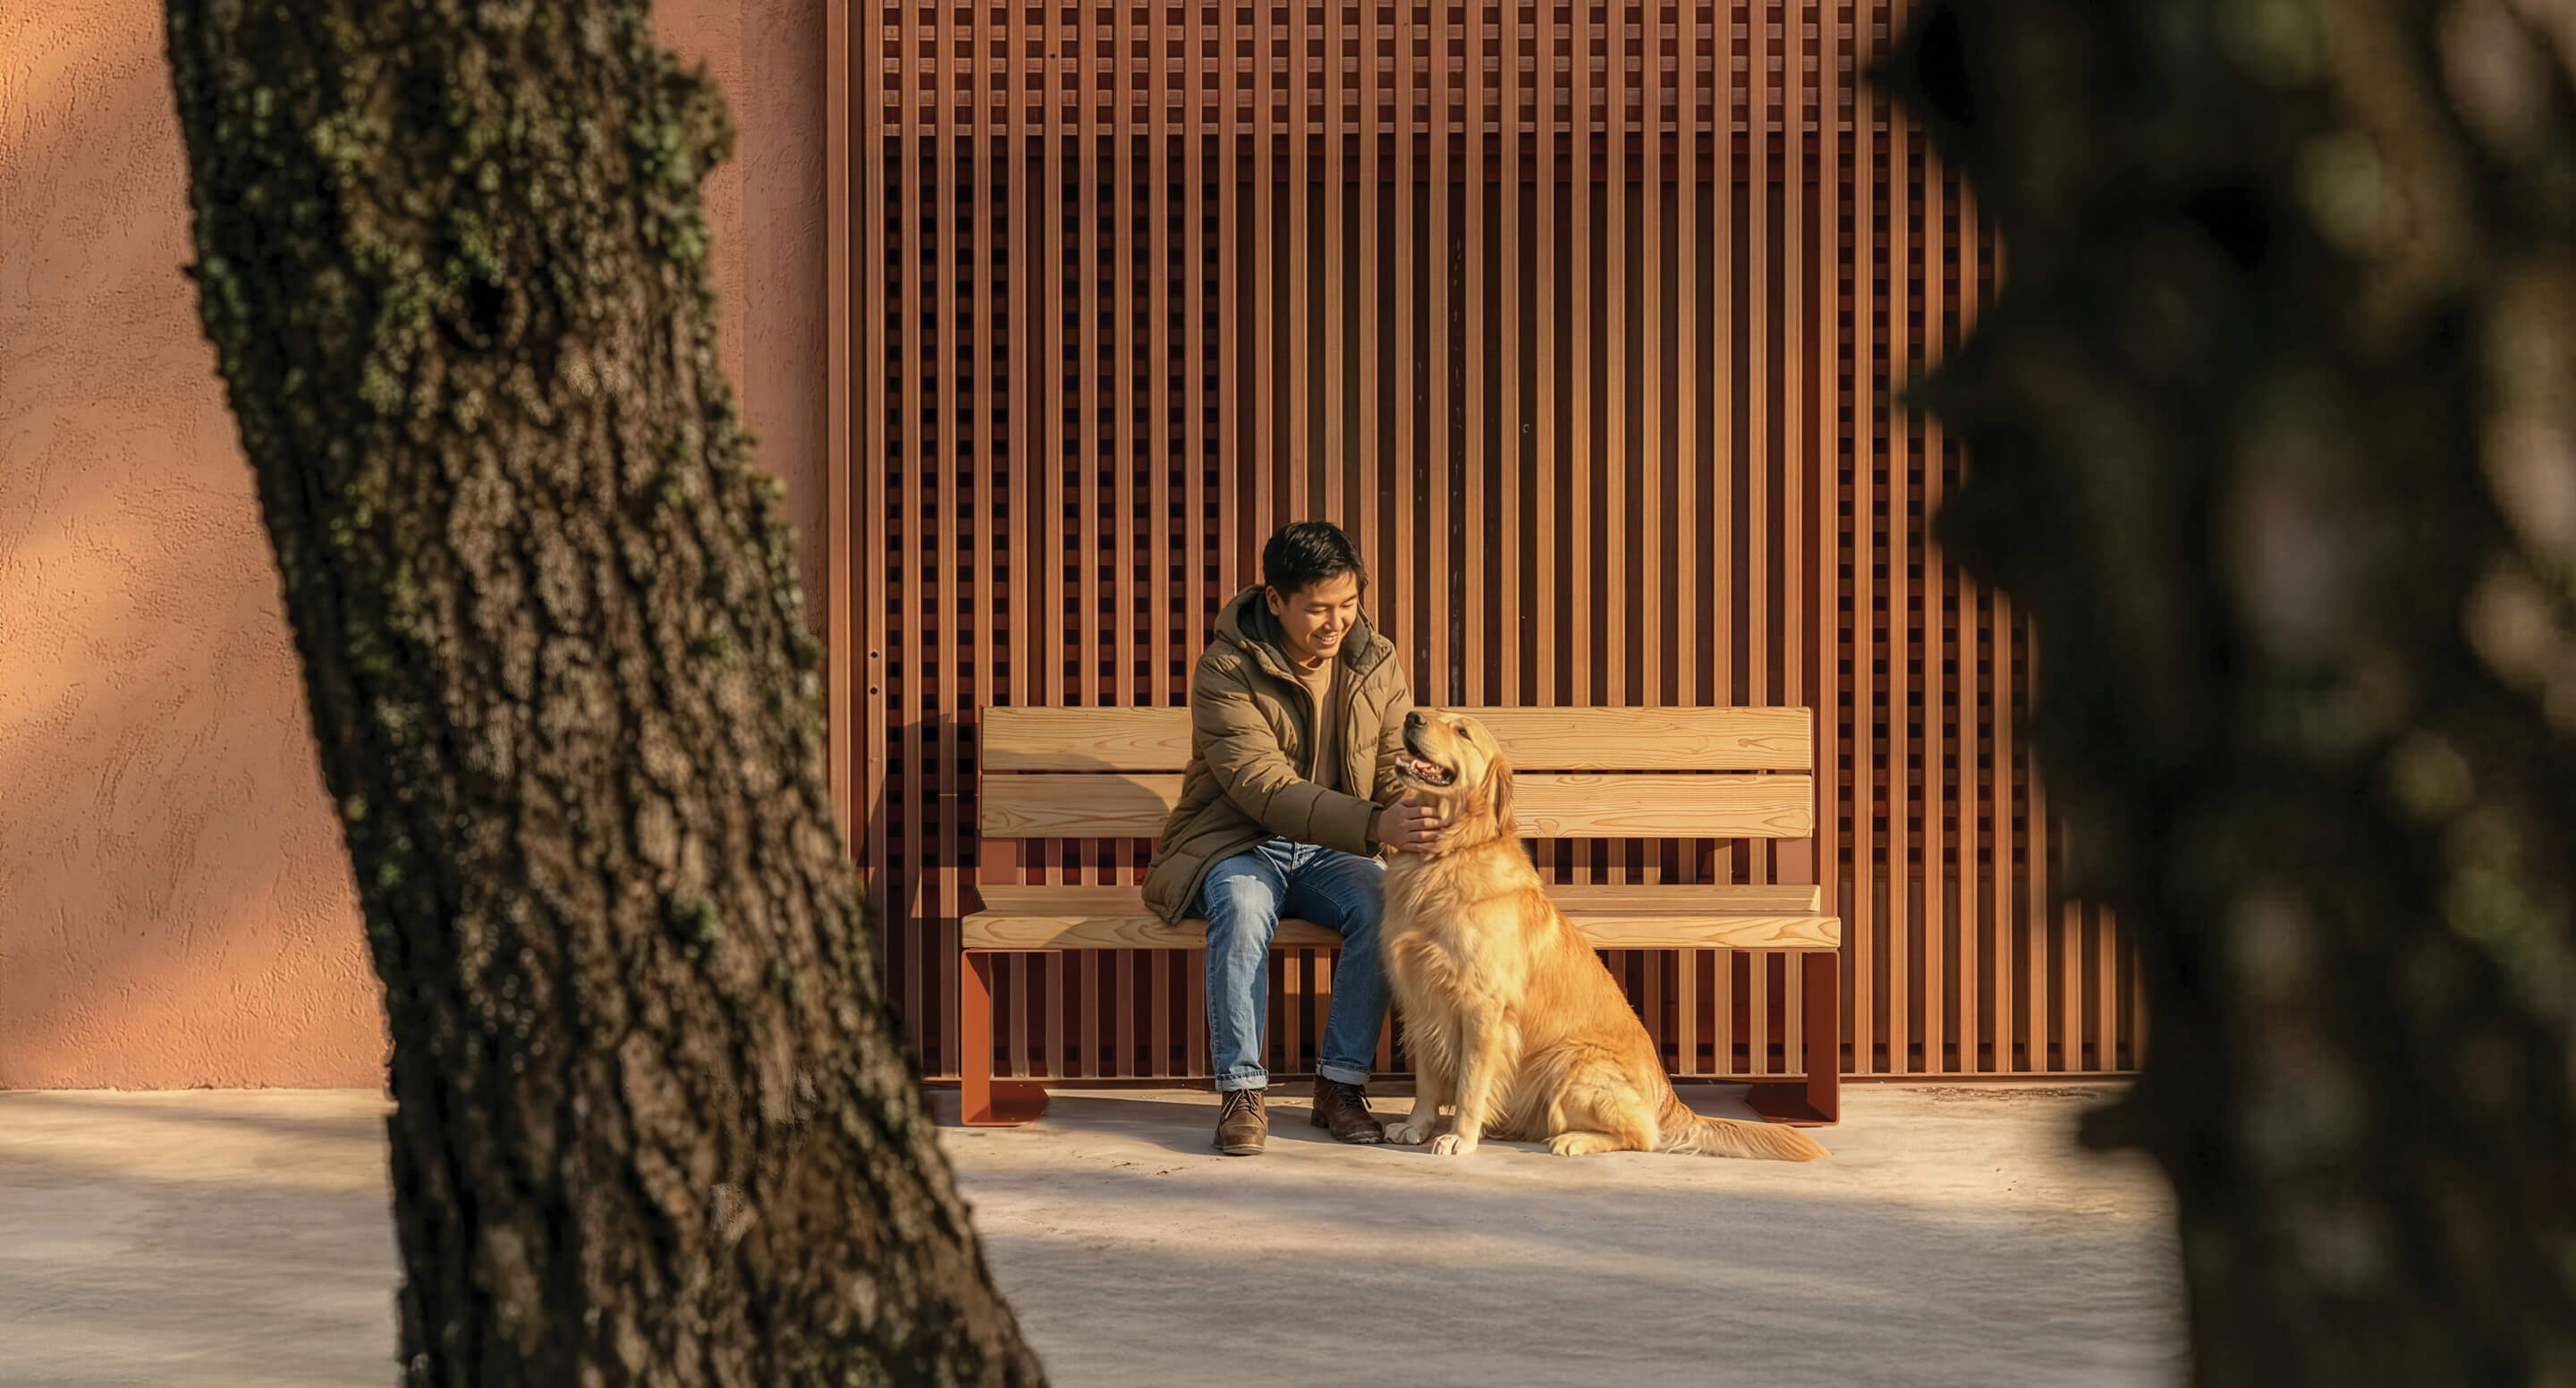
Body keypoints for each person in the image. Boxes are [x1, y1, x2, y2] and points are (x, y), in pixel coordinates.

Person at [1140, 521, 1443, 1155]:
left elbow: (1392, 762)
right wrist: (1371, 825)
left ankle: (1339, 1086)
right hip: (1238, 840)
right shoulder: (1225, 668)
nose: (1335, 624)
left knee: (1387, 903)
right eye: (1318, 610)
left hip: (1331, 850)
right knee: (1244, 908)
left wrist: (1418, 806)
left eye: (1348, 605)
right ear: (1275, 601)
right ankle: (1243, 1091)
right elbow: (1260, 787)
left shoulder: (1375, 659)